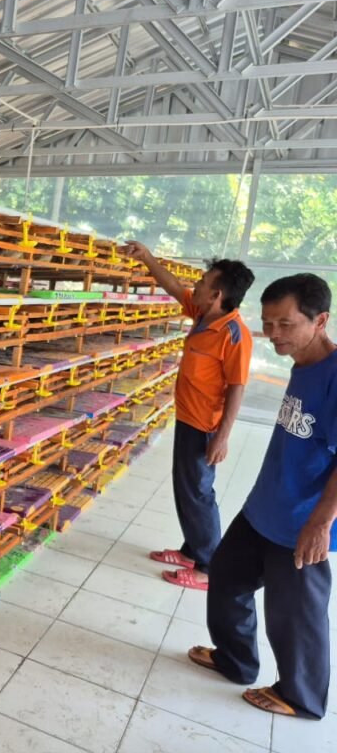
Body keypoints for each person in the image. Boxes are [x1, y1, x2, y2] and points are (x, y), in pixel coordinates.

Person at [188, 273, 336, 719]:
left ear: (320, 320)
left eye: (285, 324)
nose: (273, 334)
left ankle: (300, 697)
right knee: (226, 577)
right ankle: (235, 659)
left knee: (295, 614)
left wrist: (320, 522)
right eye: (268, 323)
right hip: (264, 507)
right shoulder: (303, 364)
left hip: (302, 520)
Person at [123, 243, 254, 590]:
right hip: (187, 417)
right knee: (186, 489)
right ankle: (191, 550)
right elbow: (171, 285)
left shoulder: (234, 334)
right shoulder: (202, 312)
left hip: (205, 426)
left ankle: (209, 567)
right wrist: (147, 258)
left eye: (202, 282)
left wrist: (222, 437)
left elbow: (237, 387)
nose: (195, 285)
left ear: (217, 294)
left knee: (198, 493)